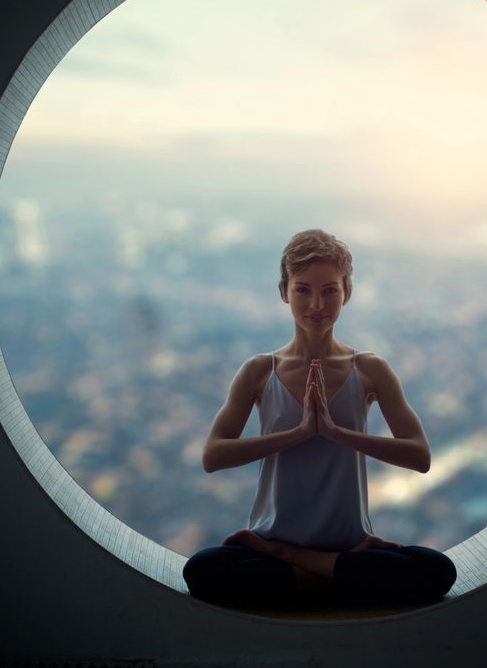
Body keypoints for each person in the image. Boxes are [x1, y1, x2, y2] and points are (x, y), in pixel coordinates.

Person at [183, 229, 456, 609]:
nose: (317, 304)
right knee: (202, 569)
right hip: (281, 543)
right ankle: (327, 574)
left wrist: (336, 433)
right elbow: (213, 456)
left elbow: (419, 457)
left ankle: (300, 566)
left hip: (346, 546)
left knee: (438, 570)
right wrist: (297, 434)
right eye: (302, 290)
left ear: (347, 292)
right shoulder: (260, 371)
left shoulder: (370, 369)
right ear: (284, 292)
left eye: (330, 290)